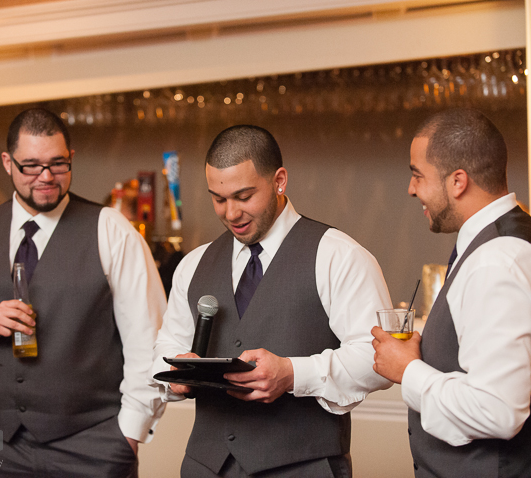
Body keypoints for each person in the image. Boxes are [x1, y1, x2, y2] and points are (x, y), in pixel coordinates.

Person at [0, 108, 167, 478]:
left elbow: (147, 341)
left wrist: (128, 436)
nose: (46, 177)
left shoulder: (111, 230)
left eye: (58, 164)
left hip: (93, 448)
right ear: (8, 163)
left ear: (71, 159)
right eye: (31, 166)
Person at [151, 124, 393, 477]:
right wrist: (173, 373)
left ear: (279, 180)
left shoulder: (339, 255)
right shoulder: (193, 264)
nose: (230, 213)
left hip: (303, 468)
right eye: (219, 199)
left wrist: (293, 374)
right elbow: (165, 345)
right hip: (204, 467)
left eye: (244, 196)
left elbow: (377, 357)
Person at [371, 108, 531, 477]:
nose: (411, 189)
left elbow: (497, 410)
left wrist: (409, 371)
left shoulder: (497, 260)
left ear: (458, 181)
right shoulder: (498, 243)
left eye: (418, 175)